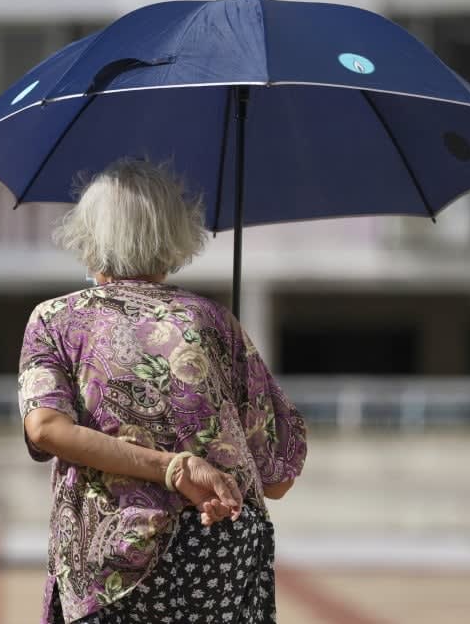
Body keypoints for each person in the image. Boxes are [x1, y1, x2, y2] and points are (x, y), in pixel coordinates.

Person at [18, 159, 308, 624]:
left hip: (109, 562)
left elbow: (46, 429)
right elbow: (277, 479)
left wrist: (171, 469)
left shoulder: (55, 320)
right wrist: (188, 460)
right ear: (172, 236)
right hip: (217, 560)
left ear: (89, 237)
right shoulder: (213, 321)